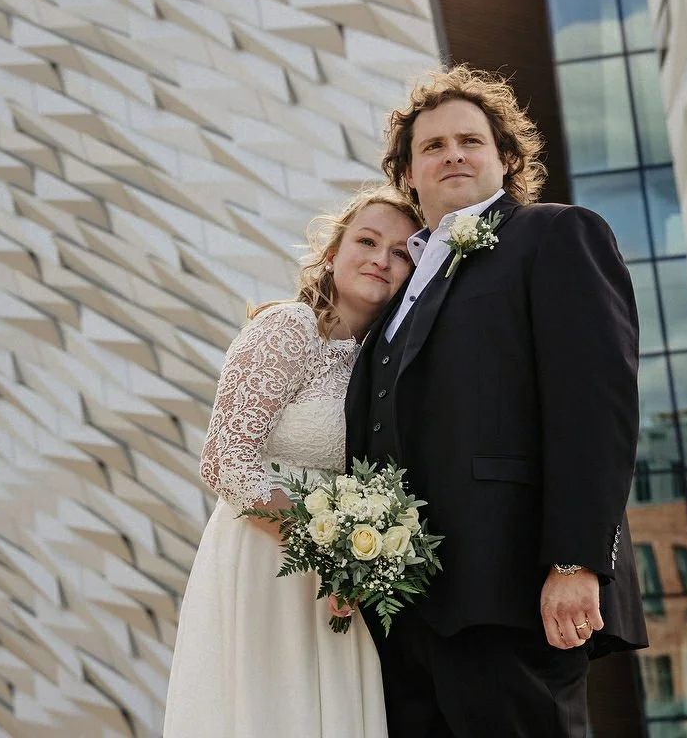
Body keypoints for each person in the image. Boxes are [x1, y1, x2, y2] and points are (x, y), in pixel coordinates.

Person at [345, 64, 648, 737]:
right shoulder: (398, 286)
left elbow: (596, 406)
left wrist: (575, 560)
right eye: (432, 146)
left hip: (510, 591)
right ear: (408, 175)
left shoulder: (555, 236)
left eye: (470, 141)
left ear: (506, 160)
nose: (452, 153)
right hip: (406, 612)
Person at [163, 185, 424, 738]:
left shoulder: (382, 361)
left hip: (343, 576)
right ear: (332, 252)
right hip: (267, 562)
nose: (381, 258)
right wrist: (326, 548)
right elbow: (225, 460)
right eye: (368, 241)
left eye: (401, 252)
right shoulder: (289, 328)